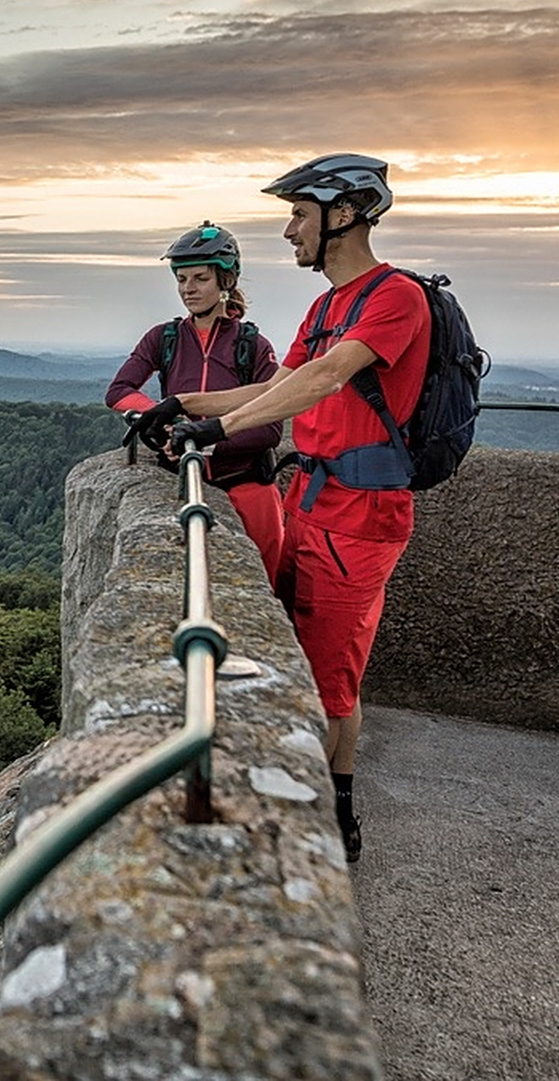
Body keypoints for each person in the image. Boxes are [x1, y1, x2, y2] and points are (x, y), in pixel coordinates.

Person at [130, 155, 429, 865]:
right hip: (311, 500)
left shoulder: (395, 297)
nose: (289, 229)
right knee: (295, 645)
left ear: (345, 214)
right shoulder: (326, 307)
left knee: (332, 675)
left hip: (360, 519)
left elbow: (325, 379)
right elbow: (277, 385)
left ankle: (330, 808)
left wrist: (217, 430)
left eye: (299, 213)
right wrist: (184, 407)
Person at [106, 222, 285, 587]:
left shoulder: (252, 345)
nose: (188, 289)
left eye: (200, 278)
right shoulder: (165, 338)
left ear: (225, 281)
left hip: (247, 484)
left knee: (266, 587)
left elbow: (270, 426)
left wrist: (207, 440)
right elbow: (120, 390)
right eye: (182, 279)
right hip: (180, 478)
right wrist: (160, 418)